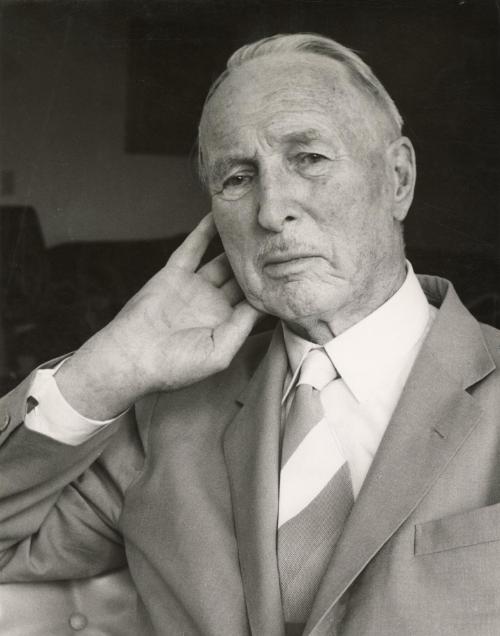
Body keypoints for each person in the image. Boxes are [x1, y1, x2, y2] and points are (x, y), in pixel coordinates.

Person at [1, 32, 499, 636]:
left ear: (397, 178)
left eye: (308, 158)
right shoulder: (163, 423)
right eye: (237, 178)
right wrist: (106, 371)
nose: (270, 210)